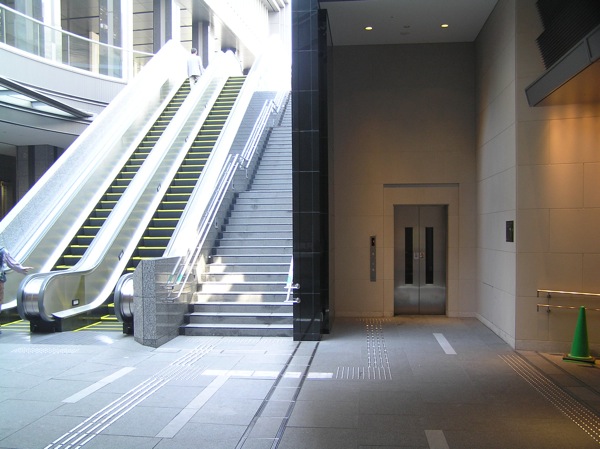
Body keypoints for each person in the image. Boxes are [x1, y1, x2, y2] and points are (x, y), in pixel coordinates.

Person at [0, 246, 32, 332]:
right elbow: (11, 262)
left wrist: (21, 269)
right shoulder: (2, 250)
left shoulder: (2, 251)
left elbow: (11, 262)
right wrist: (20, 269)